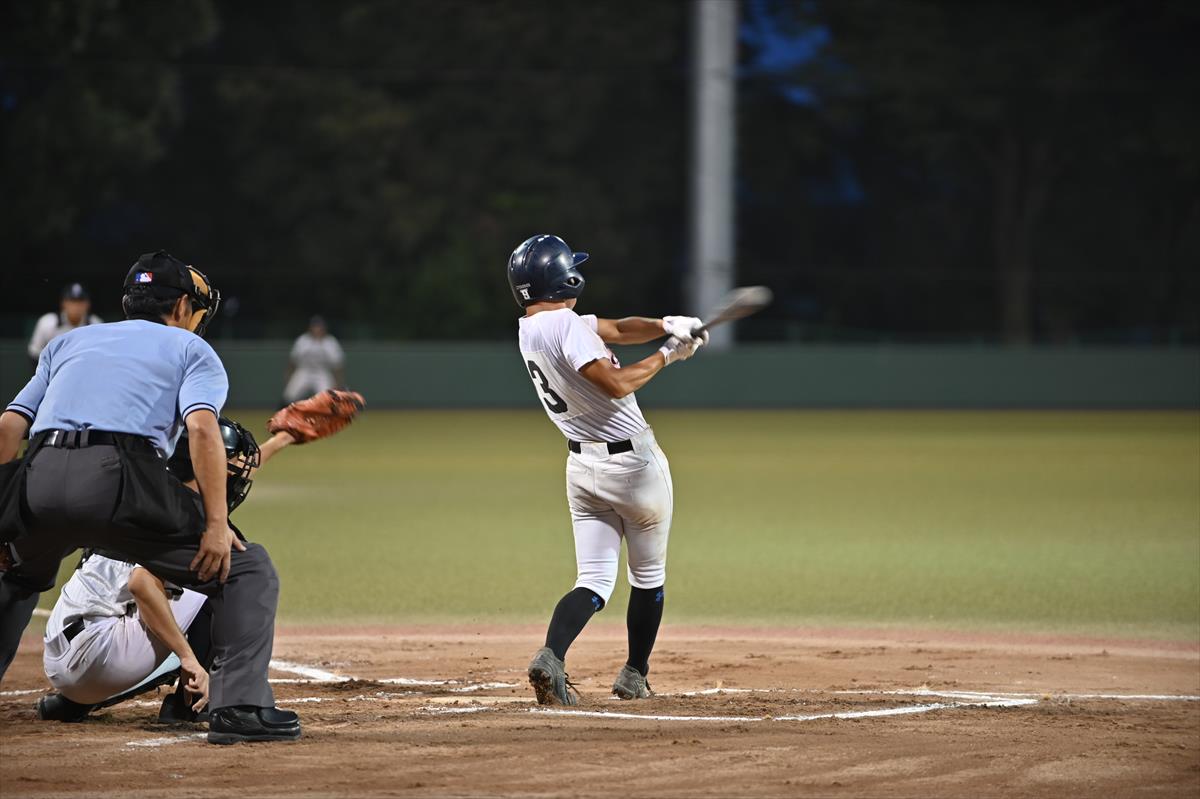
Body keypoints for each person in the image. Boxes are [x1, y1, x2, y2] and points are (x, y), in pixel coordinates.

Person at [0, 250, 300, 745]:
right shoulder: (191, 349)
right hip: (118, 479)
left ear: (128, 302)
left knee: (15, 576)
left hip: (41, 474)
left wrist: (6, 517)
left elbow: (10, 426)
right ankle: (240, 709)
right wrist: (215, 525)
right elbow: (202, 431)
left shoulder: (66, 343)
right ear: (181, 306)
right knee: (245, 568)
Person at [508, 234, 707, 705]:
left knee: (593, 581)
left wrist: (666, 324)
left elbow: (614, 328)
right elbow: (617, 384)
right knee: (648, 577)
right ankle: (635, 674)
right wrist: (668, 354)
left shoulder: (531, 327)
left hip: (582, 468)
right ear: (565, 279)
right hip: (635, 469)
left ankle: (552, 656)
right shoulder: (567, 326)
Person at [36, 418, 297, 725]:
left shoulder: (148, 492)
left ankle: (73, 703)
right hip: (102, 658)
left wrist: (284, 439)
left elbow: (215, 465)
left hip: (61, 659)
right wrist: (188, 658)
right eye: (232, 467)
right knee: (226, 571)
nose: (238, 474)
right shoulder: (181, 518)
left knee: (188, 578)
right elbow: (142, 584)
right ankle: (194, 703)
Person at [27, 283, 102, 368]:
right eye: (72, 301)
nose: (76, 306)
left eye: (80, 302)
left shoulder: (96, 324)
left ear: (88, 304)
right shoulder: (48, 323)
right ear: (63, 303)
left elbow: (101, 357)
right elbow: (35, 354)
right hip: (54, 371)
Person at [282, 315, 345, 404]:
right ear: (310, 328)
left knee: (328, 398)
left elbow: (337, 366)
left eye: (319, 327)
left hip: (322, 372)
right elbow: (293, 361)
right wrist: (288, 376)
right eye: (315, 326)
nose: (317, 329)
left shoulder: (330, 342)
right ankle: (282, 412)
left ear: (324, 328)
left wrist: (338, 383)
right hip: (304, 371)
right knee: (289, 395)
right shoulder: (303, 340)